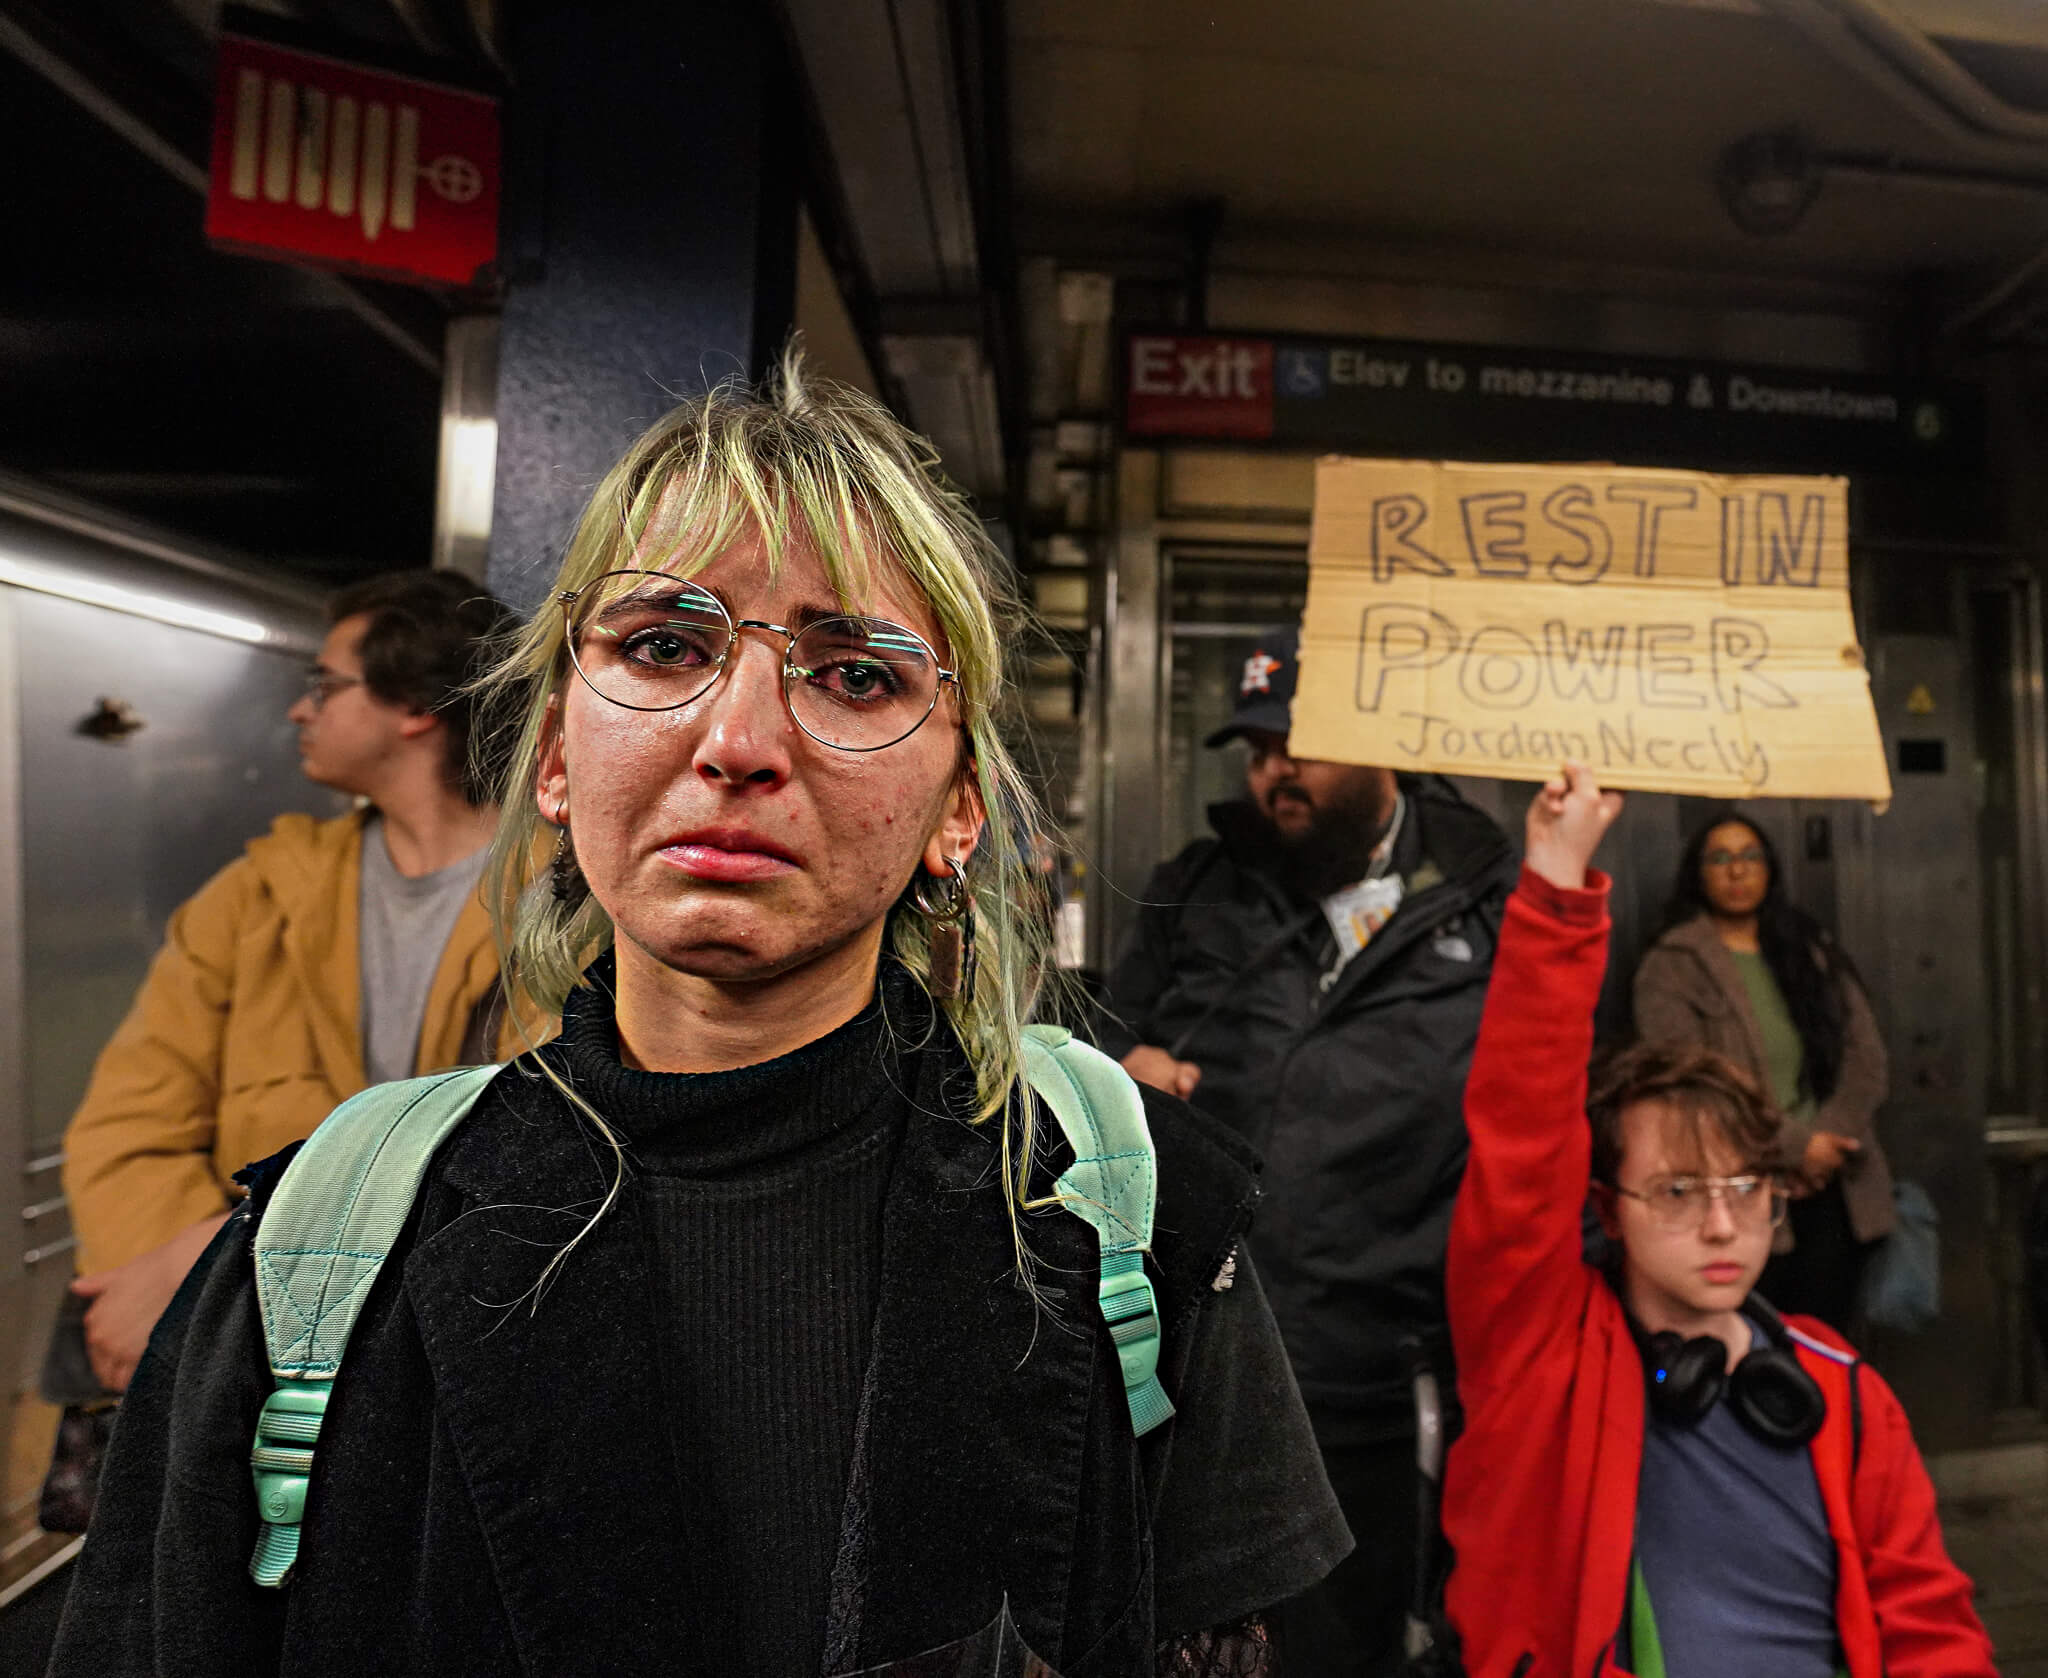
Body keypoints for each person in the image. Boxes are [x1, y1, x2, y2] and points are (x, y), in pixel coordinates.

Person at [47, 360, 1349, 1678]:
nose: (738, 738)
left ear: (961, 806)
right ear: (556, 754)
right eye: (663, 647)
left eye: (853, 676)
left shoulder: (1145, 1226)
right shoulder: (323, 1251)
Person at [1442, 764, 1993, 1678]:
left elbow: (1932, 1630)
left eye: (1746, 1187)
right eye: (1677, 1190)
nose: (1722, 1225)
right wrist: (1557, 880)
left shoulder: (1846, 1394)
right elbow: (1522, 1130)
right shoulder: (1541, 1356)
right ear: (1605, 1211)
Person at [1093, 625, 1515, 1676]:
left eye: (1301, 745)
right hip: (1209, 1344)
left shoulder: (1482, 903)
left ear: (1381, 746)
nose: (1275, 772)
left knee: (1370, 1637)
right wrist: (1122, 1063)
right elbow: (1090, 1031)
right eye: (1258, 748)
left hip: (1393, 1362)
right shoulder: (1197, 883)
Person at [59, 569, 520, 1395]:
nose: (298, 711)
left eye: (325, 686)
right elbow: (128, 1125)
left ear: (415, 707)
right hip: (253, 1386)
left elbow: (547, 1185)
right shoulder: (258, 894)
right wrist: (211, 1310)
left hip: (450, 1375)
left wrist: (225, 1274)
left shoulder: (565, 905)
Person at [1633, 812, 1894, 1332]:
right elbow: (1692, 1081)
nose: (1737, 871)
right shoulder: (1673, 964)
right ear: (1698, 873)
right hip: (1738, 1190)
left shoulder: (1807, 948)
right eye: (1721, 858)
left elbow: (1866, 1058)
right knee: (1752, 1343)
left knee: (1828, 1342)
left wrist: (1827, 1144)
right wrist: (1796, 1147)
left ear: (1770, 869)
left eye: (1750, 856)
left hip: (1834, 1189)